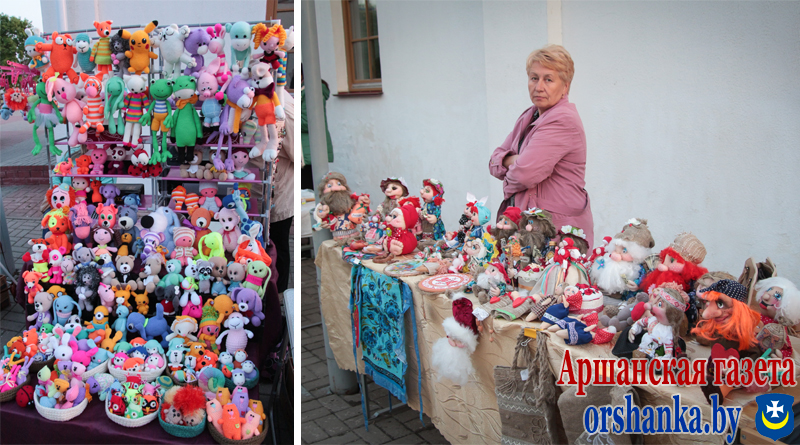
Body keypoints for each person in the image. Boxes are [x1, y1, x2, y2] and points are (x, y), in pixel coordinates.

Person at [489, 45, 594, 248]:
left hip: (556, 232)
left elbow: (524, 175)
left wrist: (511, 169)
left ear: (565, 86)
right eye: (534, 78)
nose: (538, 87)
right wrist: (514, 160)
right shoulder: (529, 115)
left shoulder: (562, 120)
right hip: (529, 227)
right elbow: (493, 162)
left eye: (548, 79)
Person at [269, 91, 294, 295]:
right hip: (256, 190)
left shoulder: (285, 107)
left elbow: (295, 152)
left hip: (279, 190)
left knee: (278, 248)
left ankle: (280, 296)